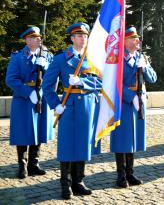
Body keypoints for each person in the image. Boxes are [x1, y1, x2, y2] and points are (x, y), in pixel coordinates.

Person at [42, 22, 102, 199]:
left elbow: (102, 83)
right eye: (79, 36)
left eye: (85, 36)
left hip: (88, 107)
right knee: (68, 146)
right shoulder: (61, 59)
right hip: (68, 106)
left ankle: (79, 182)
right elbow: (47, 85)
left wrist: (83, 82)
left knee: (83, 144)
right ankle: (65, 184)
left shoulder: (93, 59)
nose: (83, 39)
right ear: (72, 38)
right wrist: (55, 105)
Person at [110, 27, 157, 188]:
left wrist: (145, 67)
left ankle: (130, 173)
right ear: (125, 41)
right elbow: (114, 83)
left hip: (139, 103)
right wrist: (131, 97)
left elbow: (152, 79)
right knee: (122, 139)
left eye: (138, 38)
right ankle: (121, 175)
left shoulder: (141, 56)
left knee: (133, 138)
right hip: (124, 103)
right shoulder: (117, 58)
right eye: (133, 38)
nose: (137, 41)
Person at [6, 26, 54, 179]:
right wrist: (28, 93)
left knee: (39, 129)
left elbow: (54, 76)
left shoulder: (47, 56)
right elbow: (11, 80)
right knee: (22, 132)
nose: (38, 39)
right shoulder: (18, 57)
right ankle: (22, 164)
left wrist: (45, 65)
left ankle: (34, 163)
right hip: (24, 99)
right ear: (26, 40)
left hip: (41, 97)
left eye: (39, 37)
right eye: (33, 37)